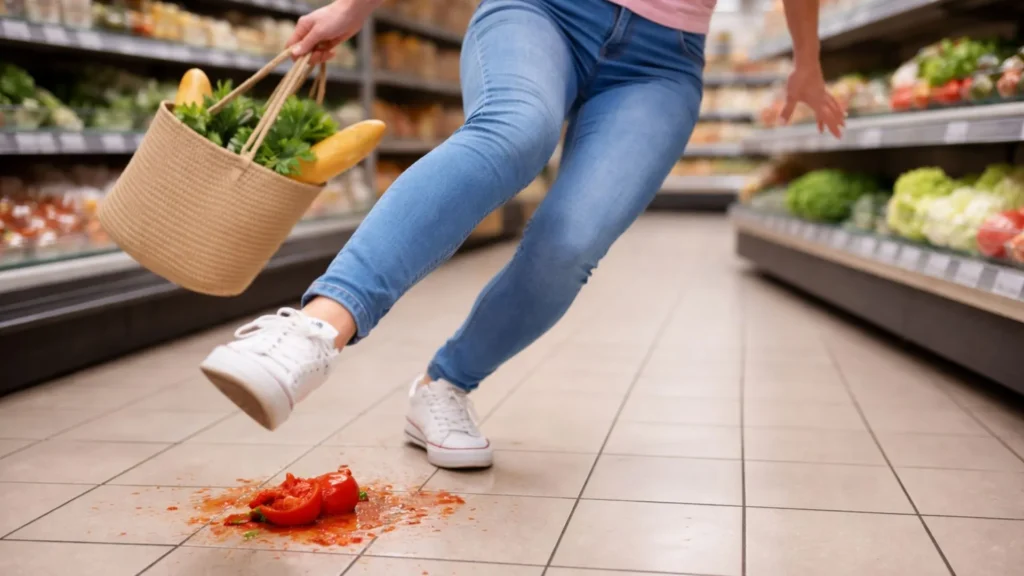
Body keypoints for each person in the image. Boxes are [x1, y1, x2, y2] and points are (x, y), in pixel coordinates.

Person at [200, 0, 844, 469]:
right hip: (540, 11)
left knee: (571, 243)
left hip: (663, 61)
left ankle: (444, 386)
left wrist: (808, 61)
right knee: (515, 132)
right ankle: (312, 331)